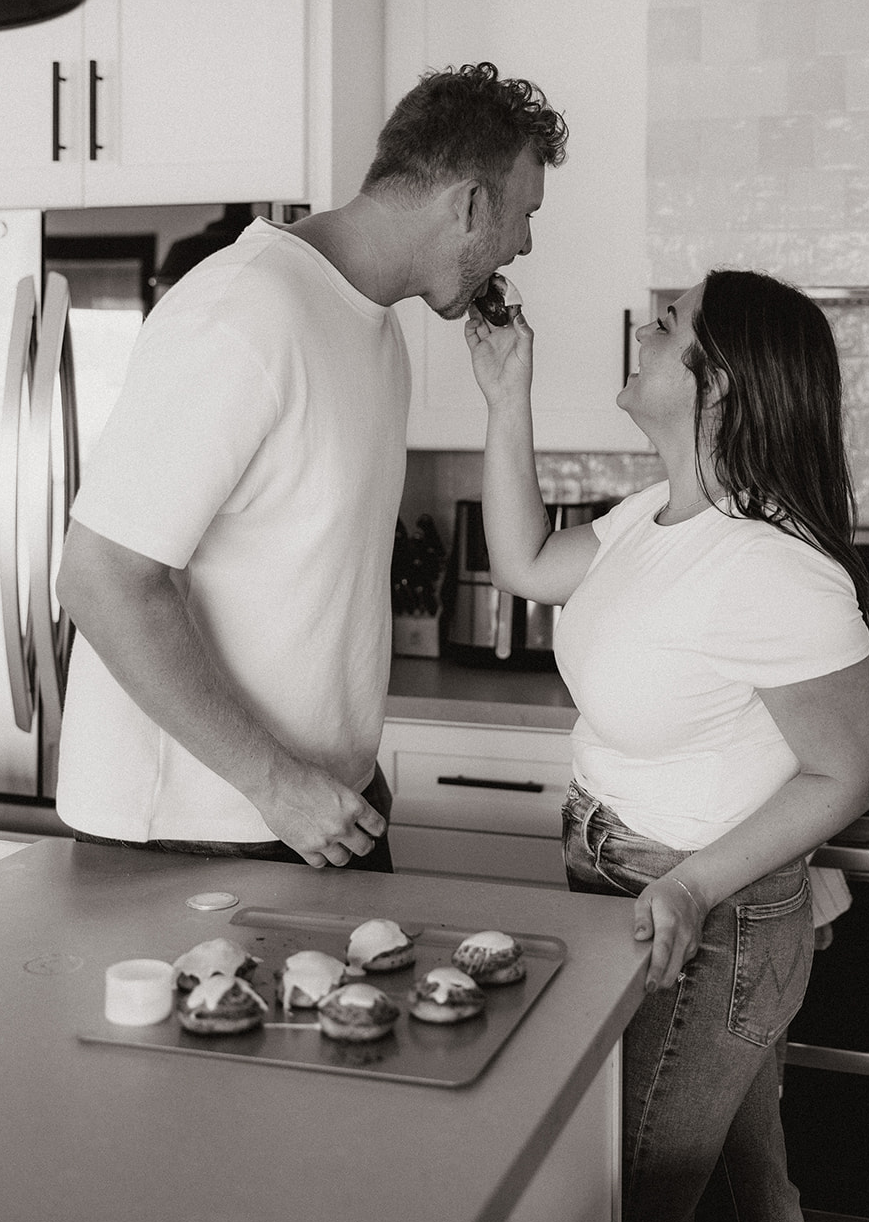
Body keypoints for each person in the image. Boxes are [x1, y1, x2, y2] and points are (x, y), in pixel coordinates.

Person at [54, 62, 568, 871]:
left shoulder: (374, 328)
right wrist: (278, 784)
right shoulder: (243, 311)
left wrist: (327, 784)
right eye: (523, 215)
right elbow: (102, 577)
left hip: (322, 806)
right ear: (469, 203)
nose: (524, 245)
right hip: (198, 826)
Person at [465, 268, 869, 1222]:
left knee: (633, 1207)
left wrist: (692, 889)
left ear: (721, 382)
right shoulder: (652, 515)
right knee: (743, 1198)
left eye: (665, 323)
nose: (640, 331)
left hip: (703, 927)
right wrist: (506, 396)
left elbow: (846, 770)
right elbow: (523, 563)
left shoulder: (774, 568)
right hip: (627, 895)